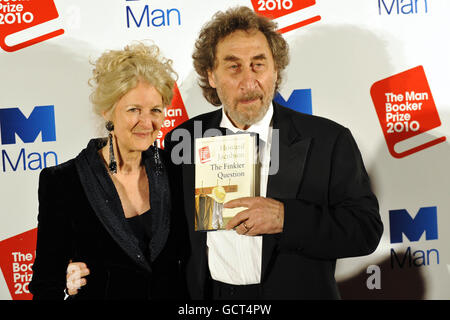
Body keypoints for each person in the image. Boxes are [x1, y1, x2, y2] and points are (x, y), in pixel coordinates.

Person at [163, 6, 383, 299]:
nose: (248, 80)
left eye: (258, 64)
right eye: (233, 66)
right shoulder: (186, 137)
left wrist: (285, 218)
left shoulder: (328, 140)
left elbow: (365, 231)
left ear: (275, 70)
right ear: (211, 76)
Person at [29, 42, 183, 300]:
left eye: (155, 110)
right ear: (107, 111)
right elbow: (46, 284)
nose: (147, 122)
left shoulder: (177, 171)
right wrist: (64, 279)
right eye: (134, 110)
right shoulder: (63, 183)